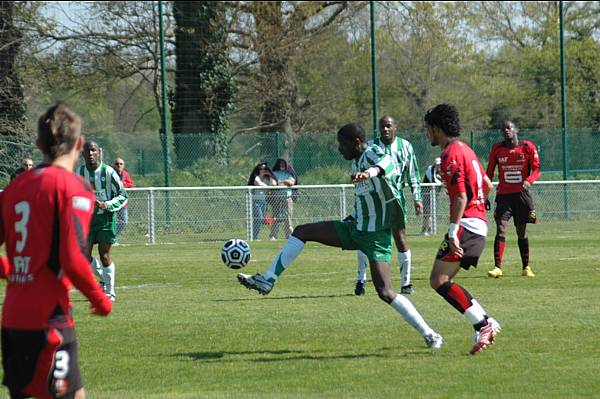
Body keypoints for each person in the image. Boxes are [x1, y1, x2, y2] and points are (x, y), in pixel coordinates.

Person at [237, 123, 443, 349]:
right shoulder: (355, 161)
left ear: (356, 142)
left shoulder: (370, 153)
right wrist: (352, 215)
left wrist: (370, 172)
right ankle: (268, 280)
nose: (339, 149)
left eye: (342, 144)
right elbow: (367, 199)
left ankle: (430, 334)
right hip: (355, 229)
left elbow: (388, 163)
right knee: (302, 231)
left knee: (385, 292)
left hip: (375, 237)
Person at [0, 103, 112, 399]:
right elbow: (72, 258)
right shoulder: (74, 188)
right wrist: (100, 299)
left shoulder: (13, 189)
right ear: (78, 143)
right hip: (50, 320)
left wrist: (11, 270)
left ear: (39, 145)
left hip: (12, 321)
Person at [424, 104, 500, 355]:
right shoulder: (466, 150)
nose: (428, 135)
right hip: (477, 224)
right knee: (445, 280)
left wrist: (453, 230)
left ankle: (483, 323)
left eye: (429, 130)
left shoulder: (449, 154)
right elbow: (487, 183)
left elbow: (460, 197)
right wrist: (479, 205)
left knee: (439, 280)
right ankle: (484, 322)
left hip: (466, 225)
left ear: (436, 129)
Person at [354, 115, 423, 296]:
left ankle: (406, 283)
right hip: (373, 197)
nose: (385, 129)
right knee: (366, 237)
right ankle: (361, 280)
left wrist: (417, 198)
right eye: (382, 127)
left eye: (388, 126)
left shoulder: (406, 146)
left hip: (396, 197)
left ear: (395, 127)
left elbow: (413, 175)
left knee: (400, 237)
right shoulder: (370, 146)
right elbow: (359, 167)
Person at [486, 120, 541, 278]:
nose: (506, 130)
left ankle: (526, 267)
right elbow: (488, 174)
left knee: (521, 231)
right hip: (503, 196)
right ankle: (497, 267)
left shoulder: (527, 147)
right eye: (503, 128)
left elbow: (537, 169)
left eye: (509, 127)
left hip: (521, 196)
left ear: (516, 129)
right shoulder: (497, 148)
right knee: (501, 228)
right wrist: (485, 195)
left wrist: (529, 180)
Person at [78, 141, 128, 302]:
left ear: (98, 152)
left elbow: (122, 195)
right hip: (87, 221)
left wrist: (107, 204)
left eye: (93, 150)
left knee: (104, 254)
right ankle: (103, 279)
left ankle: (110, 291)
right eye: (87, 151)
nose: (91, 153)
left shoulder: (108, 172)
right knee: (83, 257)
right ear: (83, 154)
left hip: (105, 219)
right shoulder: (79, 173)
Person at [269, 158, 298, 240]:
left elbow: (291, 182)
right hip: (276, 199)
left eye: (283, 163)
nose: (282, 165)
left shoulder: (290, 173)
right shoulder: (274, 173)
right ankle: (273, 236)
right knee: (275, 217)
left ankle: (288, 235)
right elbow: (273, 184)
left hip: (287, 198)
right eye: (280, 163)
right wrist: (283, 182)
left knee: (288, 217)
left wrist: (279, 182)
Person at [247, 162, 277, 240]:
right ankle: (254, 237)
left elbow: (273, 185)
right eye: (261, 169)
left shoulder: (267, 178)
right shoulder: (256, 177)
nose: (263, 170)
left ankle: (255, 236)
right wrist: (267, 187)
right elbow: (258, 183)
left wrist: (270, 175)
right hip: (255, 201)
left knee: (260, 220)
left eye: (265, 169)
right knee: (259, 218)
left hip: (263, 202)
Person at [113, 157, 135, 237]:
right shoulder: (110, 173)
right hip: (111, 202)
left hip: (122, 203)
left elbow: (131, 184)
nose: (119, 165)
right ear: (114, 165)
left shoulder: (125, 174)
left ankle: (113, 236)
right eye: (117, 164)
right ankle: (111, 238)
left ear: (123, 165)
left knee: (124, 221)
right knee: (111, 222)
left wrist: (122, 185)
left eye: (121, 164)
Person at [421, 157, 442, 236]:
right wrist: (442, 183)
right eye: (437, 165)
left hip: (435, 193)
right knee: (428, 211)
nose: (439, 167)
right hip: (427, 192)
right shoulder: (431, 169)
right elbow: (433, 180)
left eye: (440, 165)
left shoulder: (442, 171)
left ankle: (426, 229)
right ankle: (427, 230)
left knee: (432, 211)